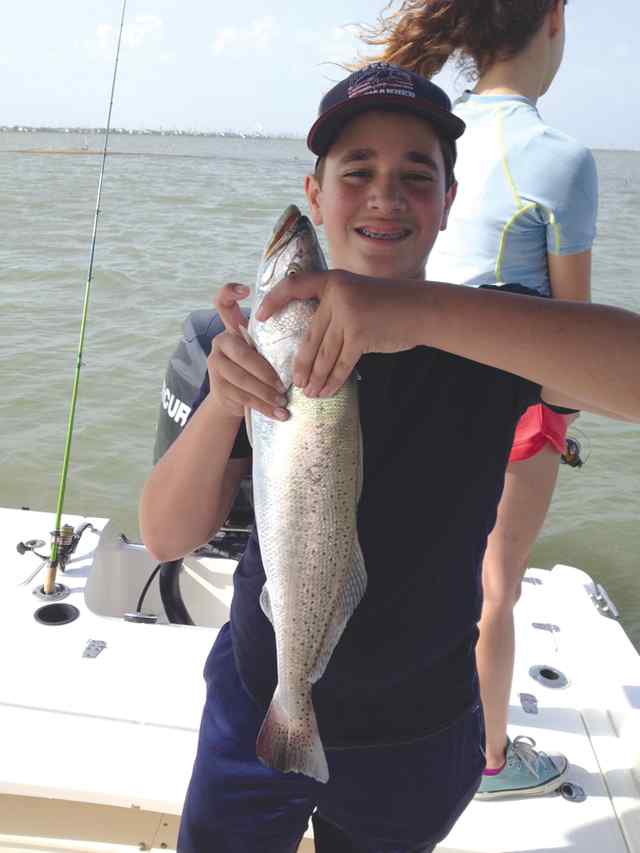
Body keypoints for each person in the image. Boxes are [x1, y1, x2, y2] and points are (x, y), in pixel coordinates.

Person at [139, 62, 640, 853]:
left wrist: (416, 312)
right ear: (315, 192)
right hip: (259, 697)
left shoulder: (485, 338)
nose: (384, 194)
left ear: (449, 203)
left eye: (417, 175)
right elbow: (165, 536)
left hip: (421, 730)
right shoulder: (254, 345)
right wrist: (226, 402)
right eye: (357, 171)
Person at [360, 0, 597, 797]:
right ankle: (489, 755)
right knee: (497, 580)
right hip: (511, 400)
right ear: (555, 20)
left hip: (414, 380)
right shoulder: (559, 156)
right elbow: (574, 342)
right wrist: (560, 419)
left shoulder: (439, 132)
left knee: (429, 561)